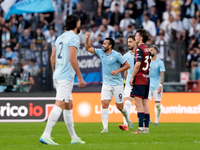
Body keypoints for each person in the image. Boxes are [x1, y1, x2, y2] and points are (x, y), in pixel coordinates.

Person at [39, 14, 86, 145]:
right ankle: (46, 135)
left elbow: (52, 57)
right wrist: (80, 77)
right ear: (77, 24)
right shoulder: (74, 38)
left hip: (58, 75)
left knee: (69, 105)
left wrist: (55, 72)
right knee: (59, 104)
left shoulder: (60, 37)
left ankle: (74, 137)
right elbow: (72, 58)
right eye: (79, 21)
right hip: (66, 77)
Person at [85, 33, 133, 133]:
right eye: (103, 43)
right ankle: (105, 128)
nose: (103, 45)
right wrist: (87, 38)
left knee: (120, 107)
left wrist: (117, 71)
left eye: (105, 44)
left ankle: (127, 120)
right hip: (106, 84)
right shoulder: (100, 52)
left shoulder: (117, 55)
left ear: (110, 45)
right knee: (104, 103)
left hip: (117, 84)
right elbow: (87, 48)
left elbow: (127, 65)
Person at [129, 29, 151, 134]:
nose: (135, 37)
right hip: (147, 77)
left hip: (140, 78)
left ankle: (140, 128)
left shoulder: (138, 49)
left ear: (141, 38)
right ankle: (146, 128)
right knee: (145, 102)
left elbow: (137, 64)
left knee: (138, 103)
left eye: (136, 36)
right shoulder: (148, 49)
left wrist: (132, 77)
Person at [118, 34, 136, 131]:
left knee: (140, 105)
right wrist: (125, 83)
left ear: (135, 42)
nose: (128, 44)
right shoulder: (125, 56)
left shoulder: (139, 54)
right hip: (129, 84)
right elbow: (125, 70)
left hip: (139, 83)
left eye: (130, 42)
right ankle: (126, 124)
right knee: (127, 104)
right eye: (128, 42)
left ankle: (145, 125)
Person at [148, 45, 165, 126]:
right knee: (144, 102)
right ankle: (148, 118)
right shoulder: (147, 62)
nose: (150, 52)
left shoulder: (160, 63)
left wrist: (160, 85)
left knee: (157, 104)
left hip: (156, 86)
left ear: (155, 51)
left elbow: (162, 75)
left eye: (151, 50)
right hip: (148, 86)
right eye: (149, 50)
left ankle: (156, 121)